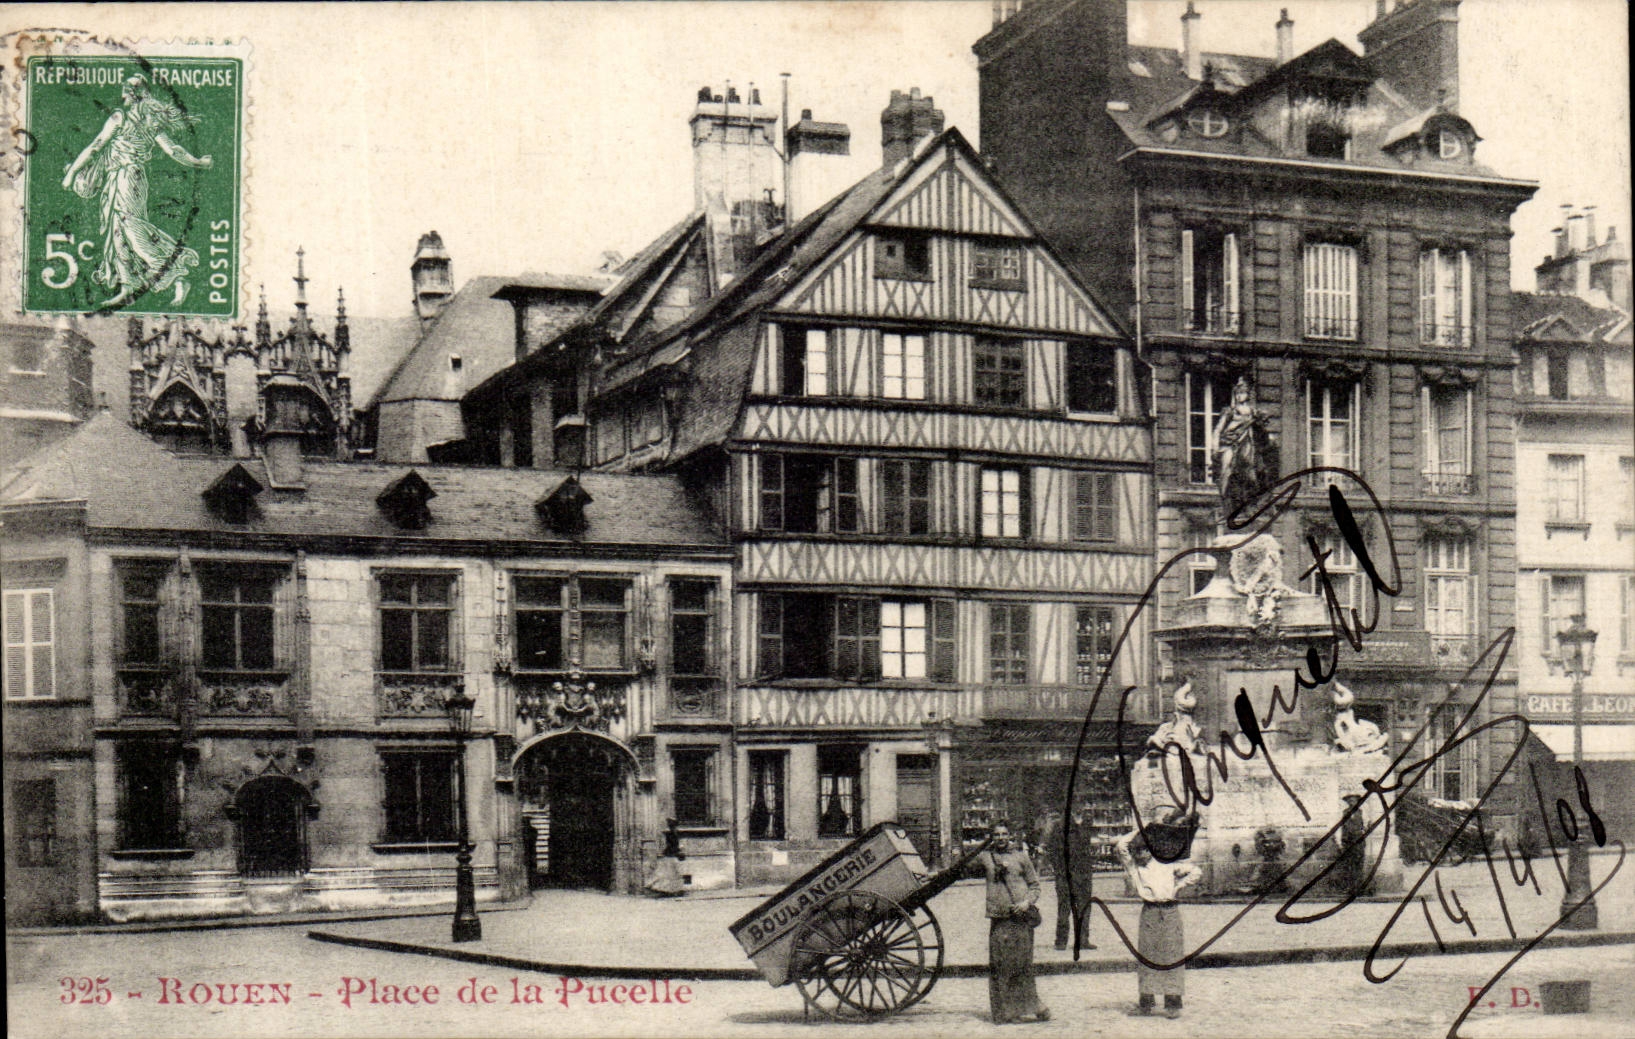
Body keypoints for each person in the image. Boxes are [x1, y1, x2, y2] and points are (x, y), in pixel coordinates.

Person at [61, 75, 212, 309]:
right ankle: (127, 286)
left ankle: (174, 273)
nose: (122, 95)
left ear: (132, 94)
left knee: (131, 228)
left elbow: (95, 146)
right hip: (127, 178)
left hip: (126, 177)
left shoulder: (119, 118)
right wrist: (198, 162)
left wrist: (71, 174)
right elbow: (173, 150)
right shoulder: (150, 122)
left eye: (125, 90)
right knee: (118, 231)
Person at [1117, 827, 1201, 1019]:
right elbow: (1122, 846)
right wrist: (1140, 828)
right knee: (1147, 956)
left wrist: (1179, 886)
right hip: (1149, 911)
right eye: (1137, 852)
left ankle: (1172, 1004)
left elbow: (1196, 871)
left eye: (1143, 851)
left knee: (1172, 956)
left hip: (1170, 911)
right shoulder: (1134, 867)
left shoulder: (1168, 864)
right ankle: (1146, 1003)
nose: (1140, 855)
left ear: (1151, 850)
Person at [979, 822, 1049, 1024]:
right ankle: (1003, 1012)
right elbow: (962, 869)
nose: (1001, 838)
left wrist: (1026, 903)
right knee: (1000, 966)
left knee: (1022, 965)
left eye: (1004, 834)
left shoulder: (1021, 857)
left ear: (1010, 836)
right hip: (999, 919)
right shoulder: (985, 858)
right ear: (992, 837)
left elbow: (1035, 886)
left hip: (1020, 919)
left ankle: (1031, 1006)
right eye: (996, 834)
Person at [1211, 376, 1261, 512]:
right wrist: (1215, 448)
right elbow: (1218, 430)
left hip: (1246, 443)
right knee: (1226, 469)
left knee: (1251, 473)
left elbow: (1259, 429)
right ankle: (1224, 500)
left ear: (1248, 394)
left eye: (1242, 393)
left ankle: (1248, 503)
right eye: (1237, 393)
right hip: (1229, 443)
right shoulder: (1230, 411)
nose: (1240, 396)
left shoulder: (1253, 412)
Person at [1051, 807, 1098, 951]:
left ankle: (1074, 940)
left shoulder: (1083, 823)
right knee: (1069, 907)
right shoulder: (1066, 827)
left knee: (1077, 907)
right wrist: (1060, 871)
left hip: (1077, 874)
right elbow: (1054, 851)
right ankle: (1068, 940)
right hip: (1071, 875)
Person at [645, 818, 685, 897]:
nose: (674, 828)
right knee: (670, 873)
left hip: (671, 855)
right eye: (672, 826)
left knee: (671, 873)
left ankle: (672, 890)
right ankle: (670, 890)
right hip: (671, 856)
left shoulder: (673, 834)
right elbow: (671, 846)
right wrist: (678, 850)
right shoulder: (671, 835)